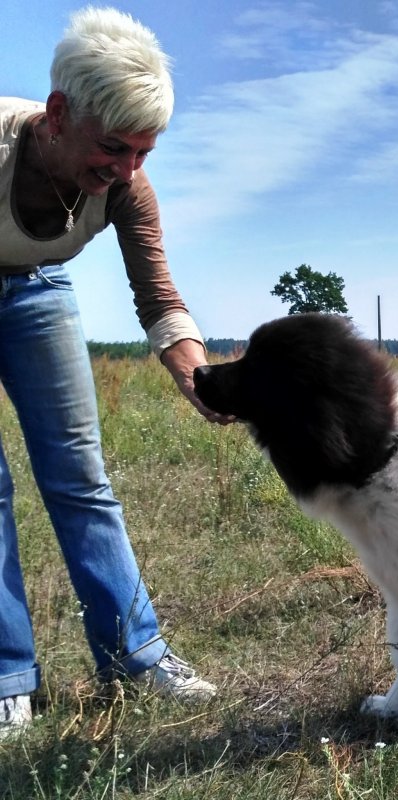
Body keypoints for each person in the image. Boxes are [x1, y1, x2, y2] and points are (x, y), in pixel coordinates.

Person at [0, 7, 232, 739]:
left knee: (81, 478)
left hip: (36, 289)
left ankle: (137, 657)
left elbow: (158, 296)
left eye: (144, 151)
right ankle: (8, 680)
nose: (127, 170)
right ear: (58, 113)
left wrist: (200, 378)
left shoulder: (129, 187)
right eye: (112, 148)